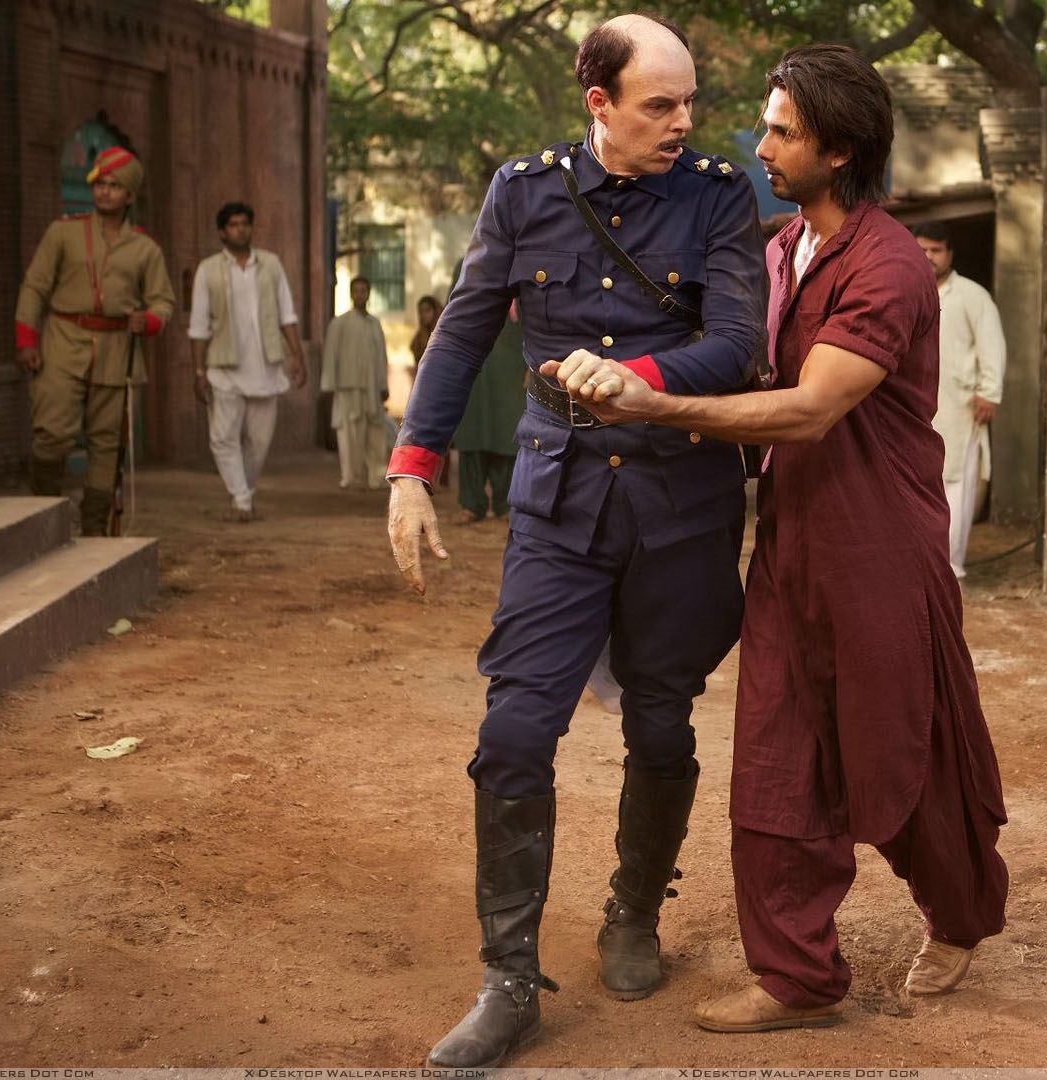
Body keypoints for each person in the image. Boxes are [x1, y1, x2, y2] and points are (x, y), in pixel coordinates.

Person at [545, 42, 1008, 1034]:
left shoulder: (887, 264)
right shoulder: (776, 249)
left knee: (901, 753)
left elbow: (807, 410)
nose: (759, 147)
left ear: (838, 151)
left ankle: (962, 912)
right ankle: (798, 975)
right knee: (774, 756)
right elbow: (732, 364)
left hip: (881, 549)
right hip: (792, 538)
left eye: (781, 132)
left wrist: (650, 407)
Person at [382, 13, 766, 1068]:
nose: (683, 123)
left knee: (662, 725)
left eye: (690, 103)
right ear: (599, 103)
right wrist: (412, 470)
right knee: (514, 730)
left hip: (681, 503)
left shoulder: (719, 195)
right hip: (559, 504)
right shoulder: (524, 191)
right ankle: (509, 980)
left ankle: (634, 910)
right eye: (660, 105)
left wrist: (637, 378)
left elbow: (740, 341)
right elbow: (464, 328)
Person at [14, 146, 174, 535]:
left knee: (106, 445)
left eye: (114, 186)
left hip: (116, 349)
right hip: (62, 342)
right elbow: (35, 286)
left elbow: (163, 301)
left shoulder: (145, 248)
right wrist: (26, 339)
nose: (104, 191)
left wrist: (149, 320)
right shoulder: (62, 232)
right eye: (100, 183)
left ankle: (94, 529)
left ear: (130, 195)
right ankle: (43, 512)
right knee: (52, 434)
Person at [188, 202, 306, 521]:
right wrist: (198, 371)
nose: (240, 229)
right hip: (223, 368)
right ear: (222, 232)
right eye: (233, 224)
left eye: (245, 223)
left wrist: (298, 355)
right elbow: (198, 326)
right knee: (223, 438)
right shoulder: (208, 270)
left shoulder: (271, 264)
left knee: (259, 442)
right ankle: (241, 499)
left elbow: (287, 314)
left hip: (266, 367)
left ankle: (245, 492)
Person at [911, 223, 1005, 580]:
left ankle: (949, 566)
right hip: (914, 405)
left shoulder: (972, 296)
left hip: (960, 406)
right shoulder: (905, 289)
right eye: (922, 250)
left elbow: (991, 345)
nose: (928, 257)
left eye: (936, 250)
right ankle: (918, 566)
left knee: (955, 482)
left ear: (949, 254)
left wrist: (989, 392)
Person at [451, 301, 525, 522]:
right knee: (472, 435)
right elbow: (451, 321)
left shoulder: (525, 278)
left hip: (513, 368)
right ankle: (471, 503)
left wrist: (533, 365)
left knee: (506, 433)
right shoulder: (462, 278)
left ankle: (506, 503)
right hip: (472, 368)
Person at [321, 277, 390, 490]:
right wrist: (329, 386)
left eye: (364, 290)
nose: (360, 294)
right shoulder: (339, 323)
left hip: (372, 388)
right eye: (357, 291)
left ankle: (376, 476)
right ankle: (351, 477)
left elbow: (381, 357)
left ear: (368, 294)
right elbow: (331, 355)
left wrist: (383, 385)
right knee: (349, 434)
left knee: (376, 433)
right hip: (347, 387)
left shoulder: (375, 324)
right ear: (351, 294)